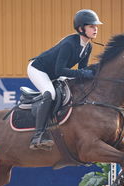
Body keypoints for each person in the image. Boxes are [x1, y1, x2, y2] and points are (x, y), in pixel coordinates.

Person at [27, 9, 103, 151]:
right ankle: (38, 135)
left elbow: (82, 70)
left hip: (56, 72)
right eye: (92, 26)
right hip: (38, 69)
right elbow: (60, 70)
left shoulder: (88, 47)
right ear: (81, 28)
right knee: (50, 93)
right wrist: (83, 73)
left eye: (96, 26)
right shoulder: (69, 44)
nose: (95, 29)